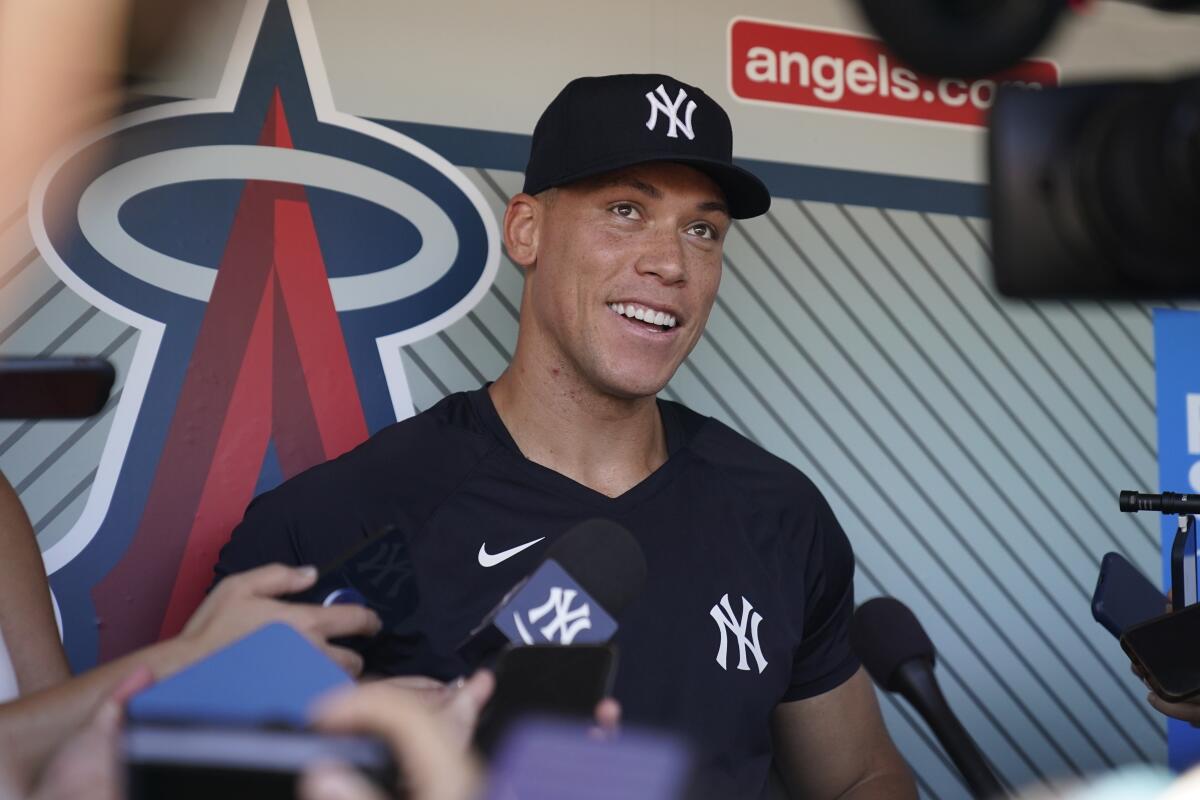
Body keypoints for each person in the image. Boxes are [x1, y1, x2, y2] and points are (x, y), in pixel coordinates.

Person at [215, 73, 915, 799]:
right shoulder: (344, 520)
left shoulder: (778, 512)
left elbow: (861, 773)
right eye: (625, 210)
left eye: (701, 230)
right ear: (527, 231)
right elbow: (211, 775)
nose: (671, 263)